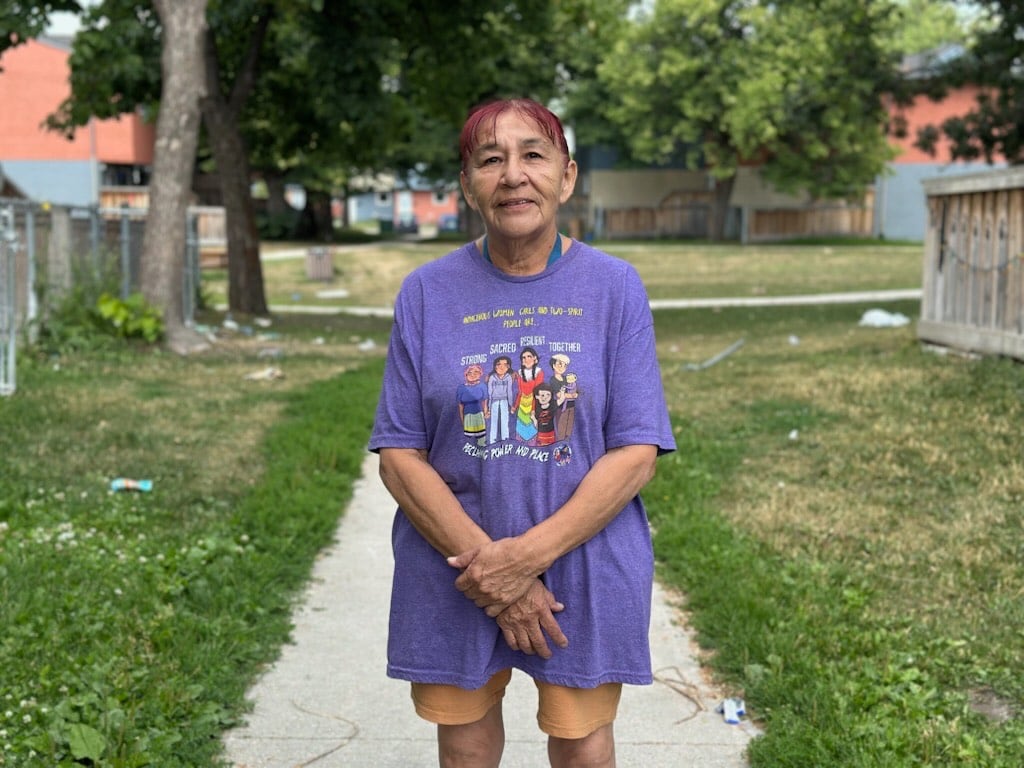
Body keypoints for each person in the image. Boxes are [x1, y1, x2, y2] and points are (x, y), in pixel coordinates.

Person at [369, 97, 676, 768]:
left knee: (583, 750)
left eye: (533, 155)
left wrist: (522, 562)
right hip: (454, 564)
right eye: (491, 160)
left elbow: (636, 452)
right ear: (467, 186)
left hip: (584, 566)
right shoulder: (425, 293)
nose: (513, 175)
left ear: (566, 176)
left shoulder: (615, 288)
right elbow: (398, 454)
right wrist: (492, 570)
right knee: (465, 750)